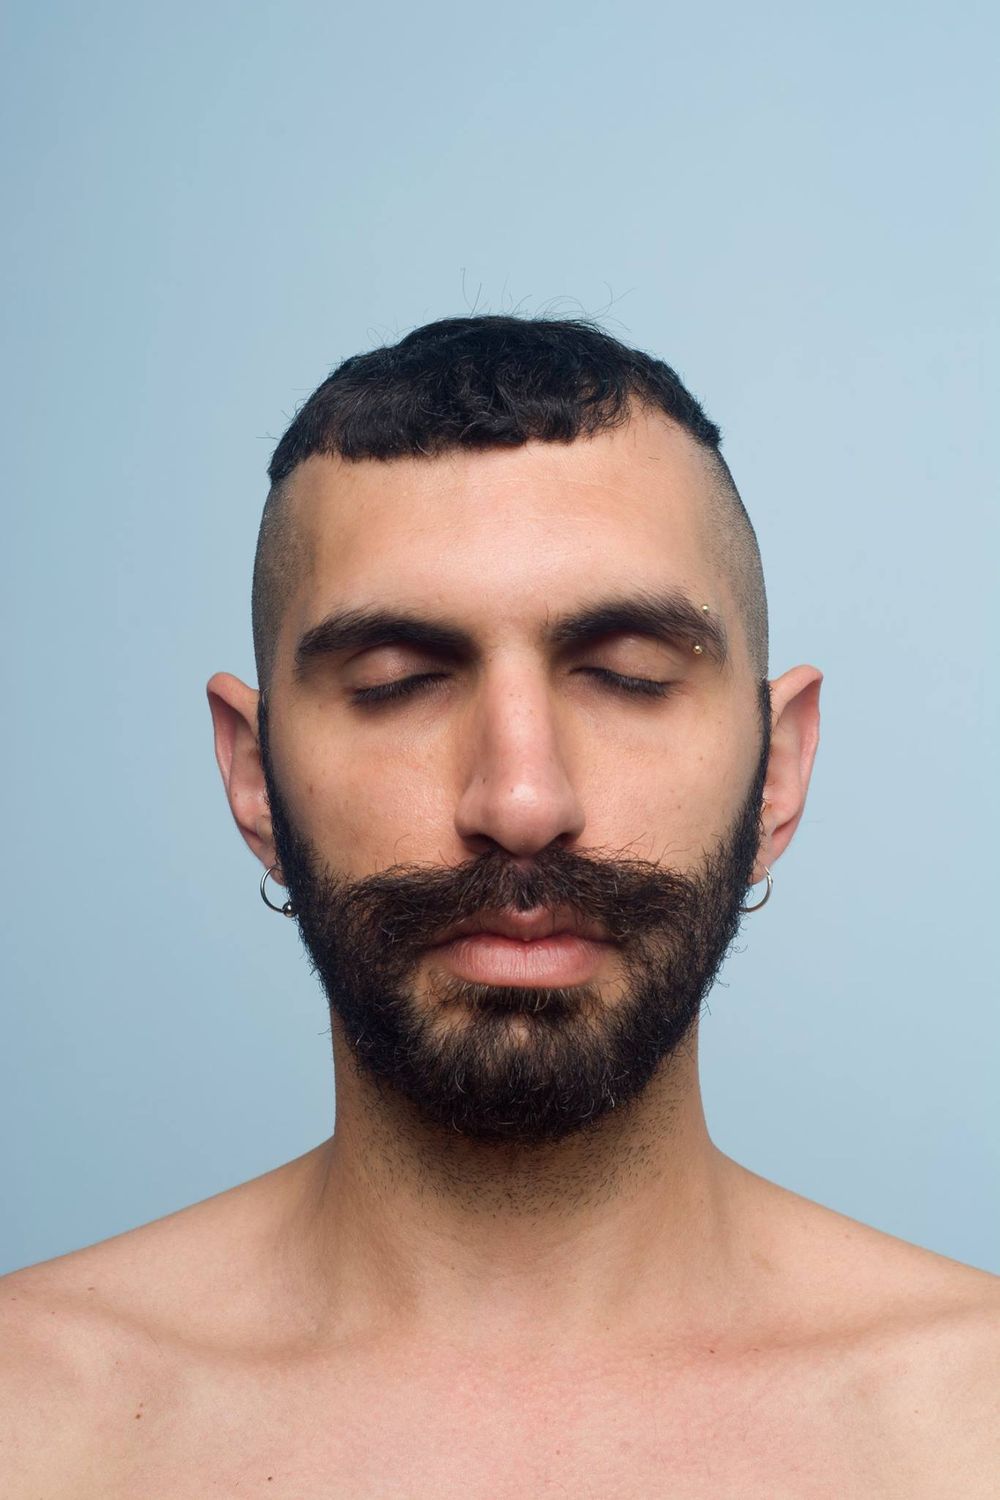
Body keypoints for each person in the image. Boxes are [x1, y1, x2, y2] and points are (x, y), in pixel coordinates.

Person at [2, 316, 997, 1495]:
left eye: (626, 676)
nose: (521, 800)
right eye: (397, 683)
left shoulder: (968, 1426)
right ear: (255, 777)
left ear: (775, 771)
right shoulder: (34, 1421)